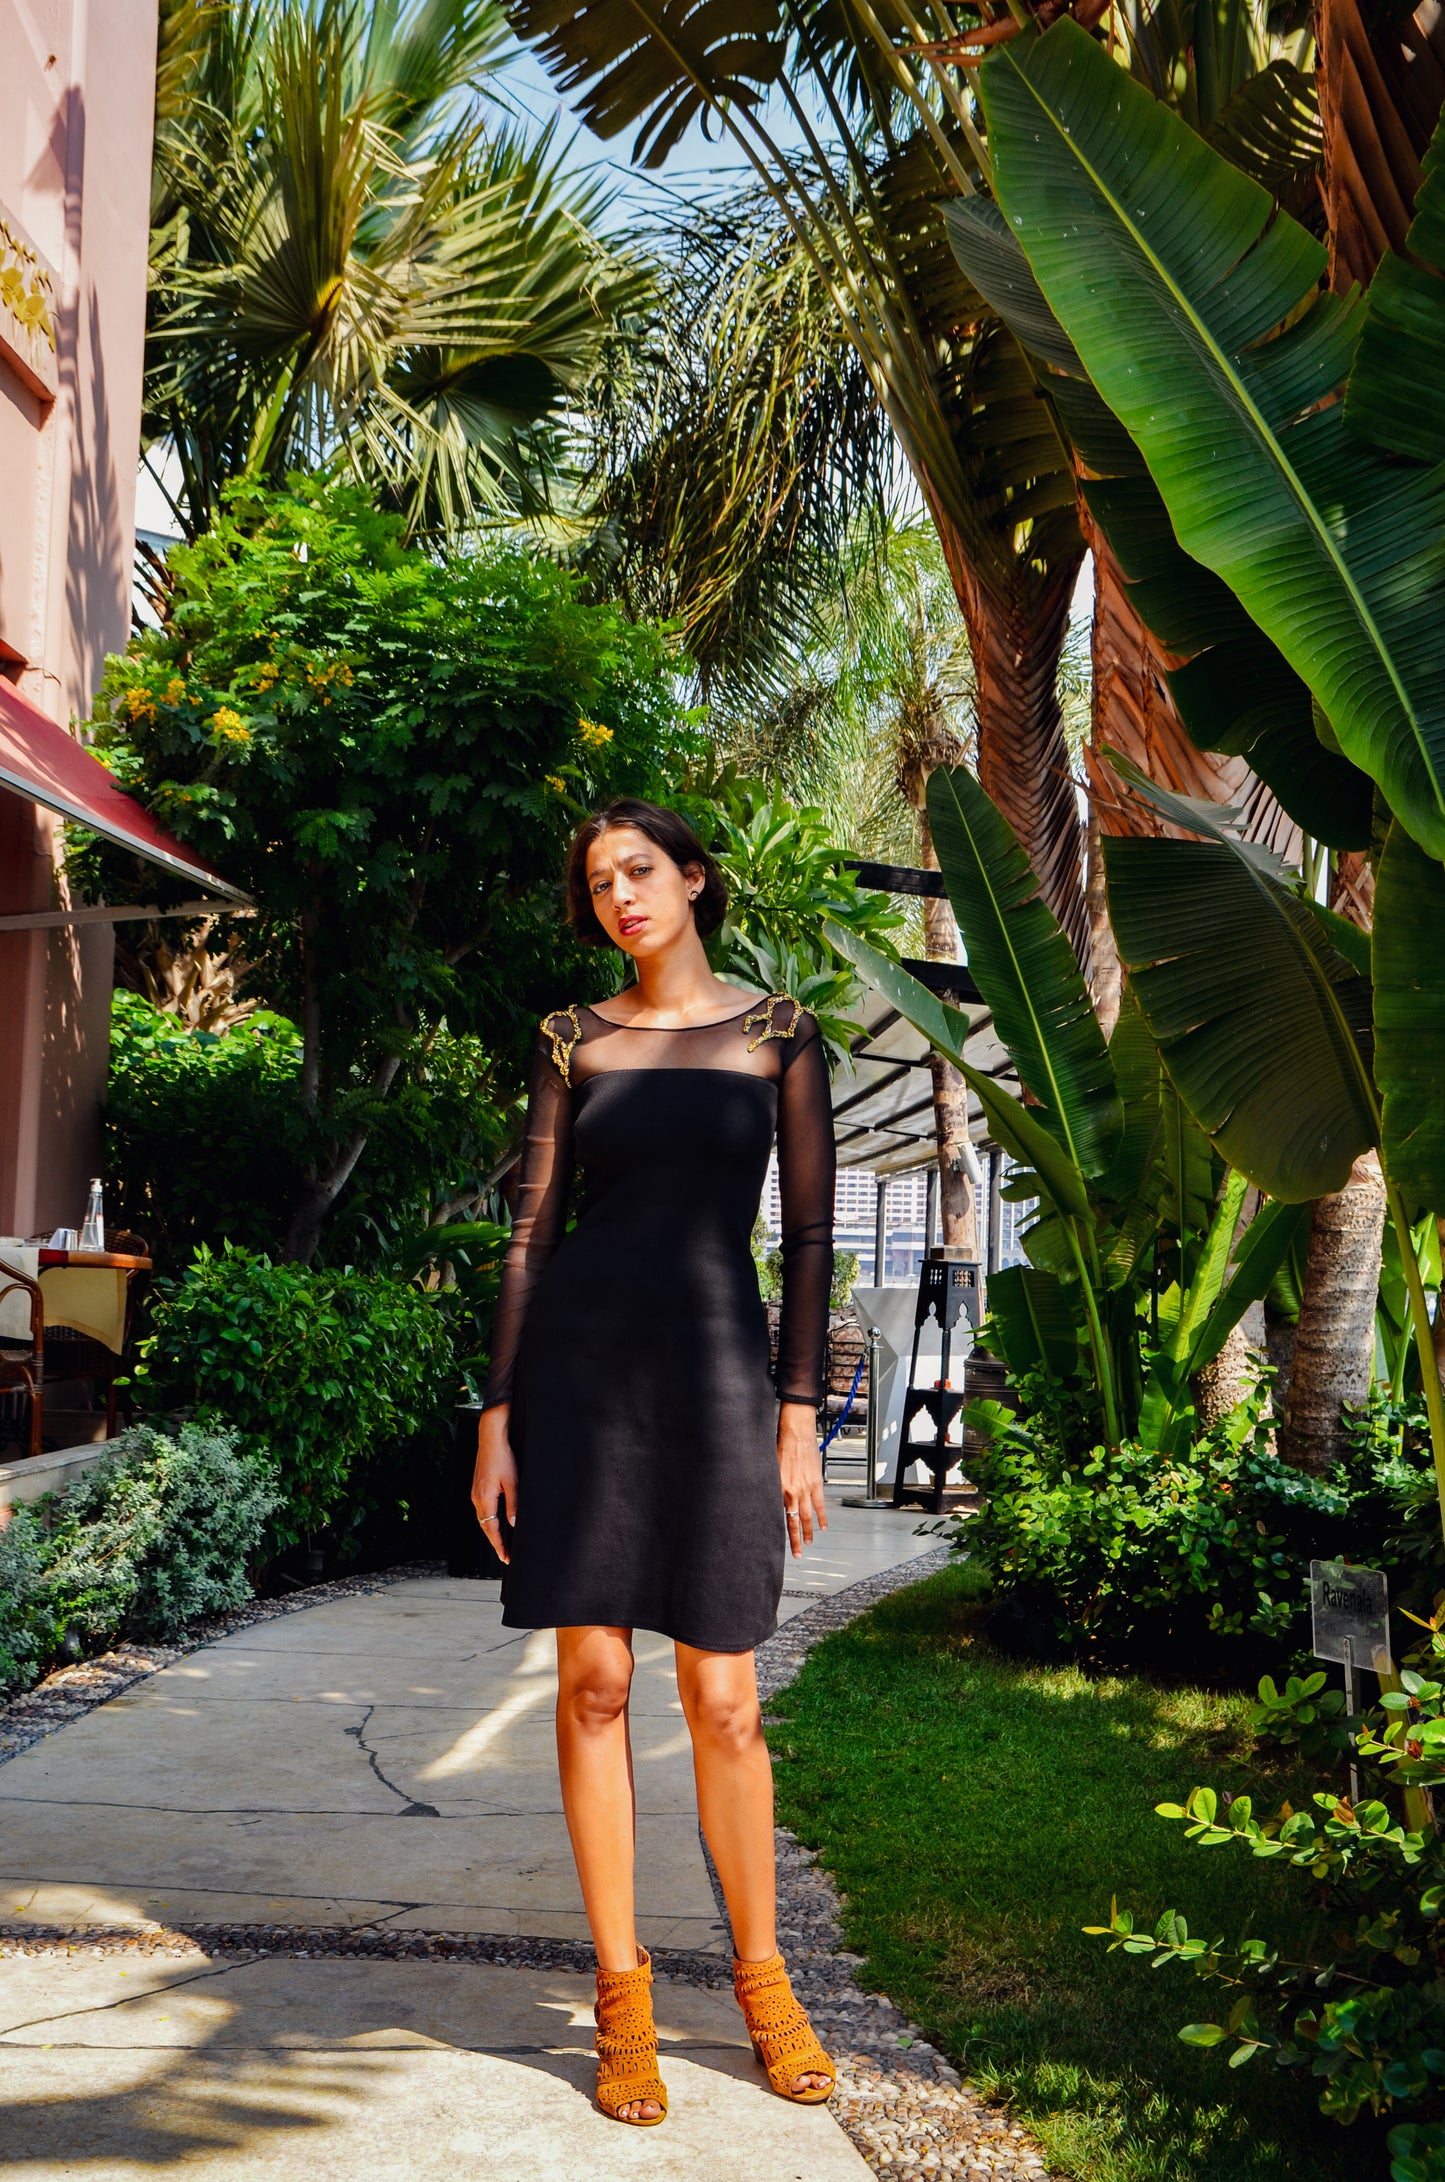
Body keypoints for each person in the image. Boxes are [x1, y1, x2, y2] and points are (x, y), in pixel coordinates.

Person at [471, 797, 837, 2126]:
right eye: (597, 879)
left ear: (693, 876)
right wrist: (495, 1408)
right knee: (593, 1679)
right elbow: (528, 1230)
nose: (619, 893)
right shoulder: (573, 1037)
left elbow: (804, 1239)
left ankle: (761, 1980)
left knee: (725, 1695)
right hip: (577, 1373)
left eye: (640, 869)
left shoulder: (779, 1031)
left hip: (720, 1375)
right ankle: (620, 1998)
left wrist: (798, 1413)